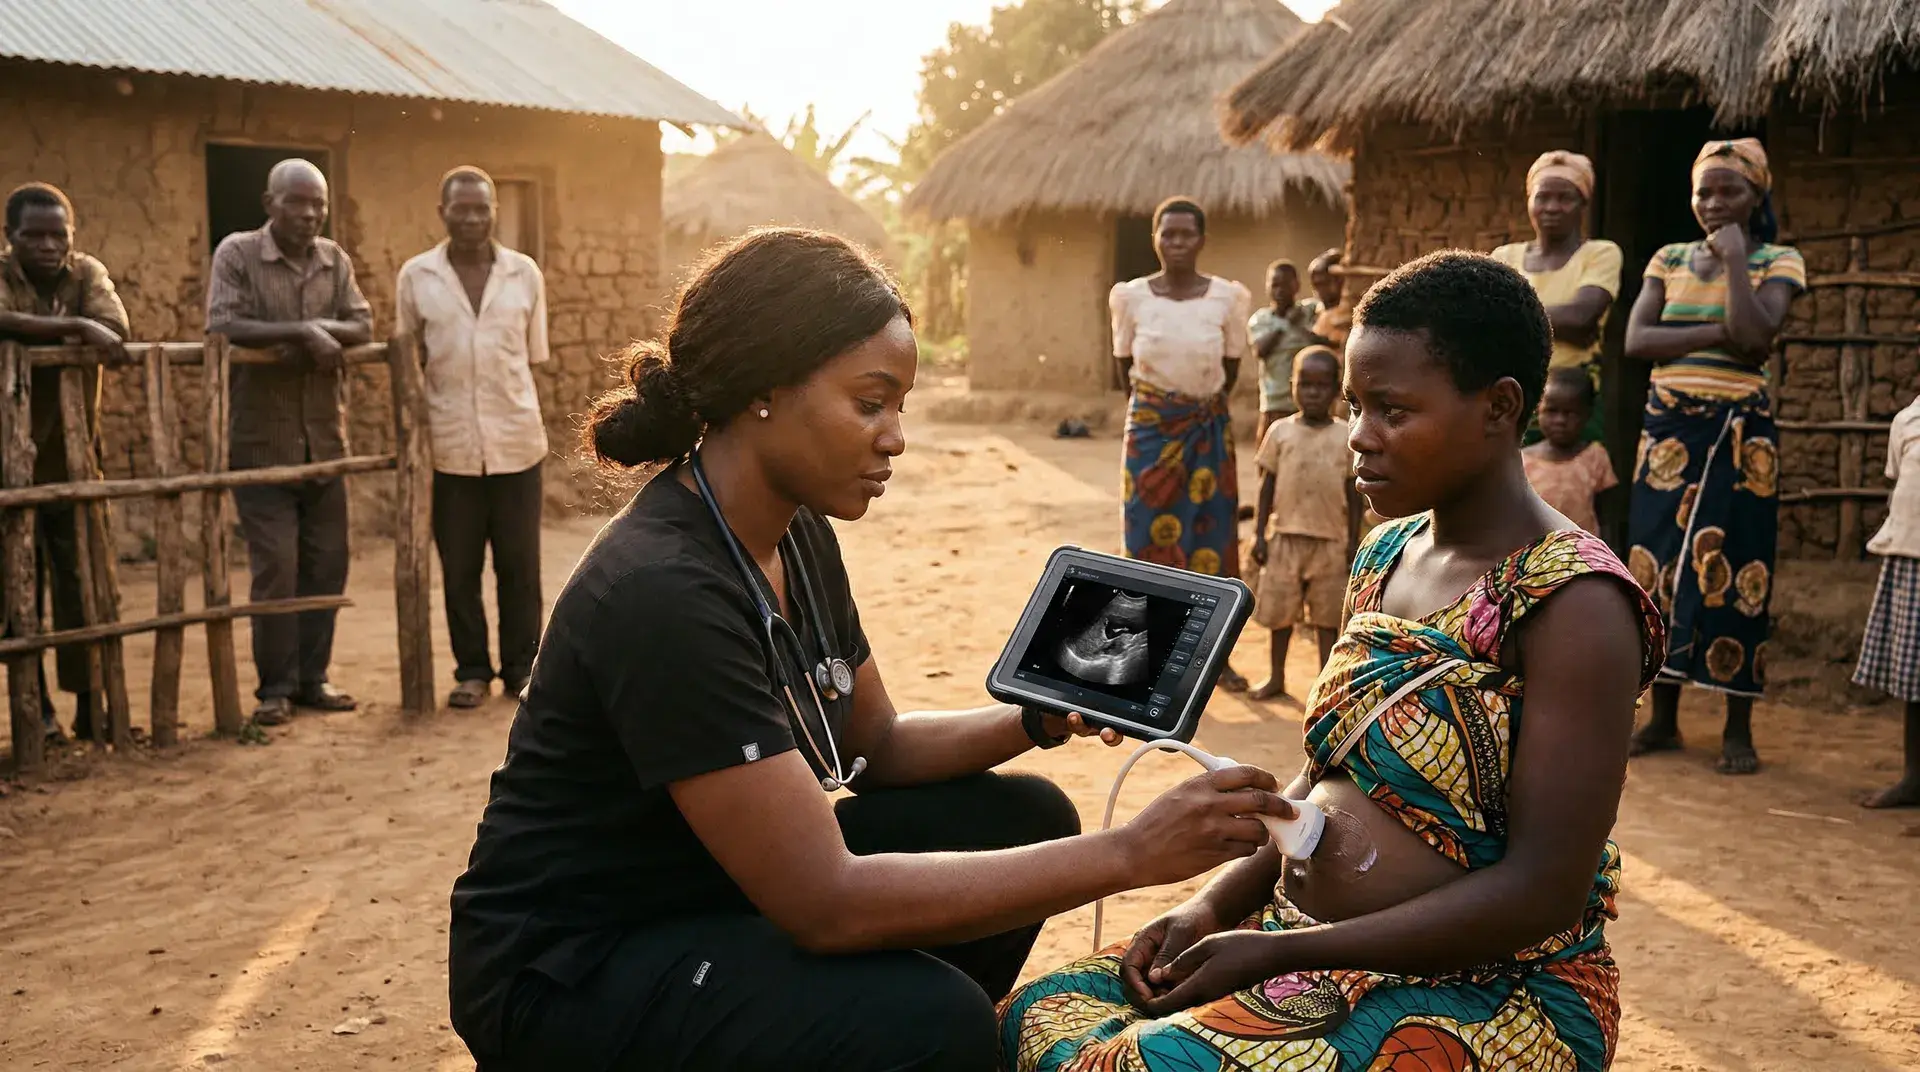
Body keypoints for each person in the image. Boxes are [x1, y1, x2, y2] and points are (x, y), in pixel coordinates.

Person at [448, 228, 1295, 1072]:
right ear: (764, 390)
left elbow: (874, 744)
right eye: (869, 402)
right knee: (934, 1024)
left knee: (1021, 814)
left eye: (900, 408)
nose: (893, 436)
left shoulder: (796, 532)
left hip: (707, 892)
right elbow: (826, 903)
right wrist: (1129, 855)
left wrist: (1034, 719)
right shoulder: (662, 589)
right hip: (575, 965)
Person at [1002, 251, 1665, 1072]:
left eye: (1392, 410)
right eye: (1356, 406)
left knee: (1136, 1065)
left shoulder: (1576, 604)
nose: (1359, 436)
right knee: (1037, 1016)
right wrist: (1213, 905)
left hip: (1490, 989)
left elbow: (1542, 890)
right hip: (1299, 945)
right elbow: (1324, 775)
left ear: (1499, 408)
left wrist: (1281, 959)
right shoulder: (1385, 554)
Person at [1623, 138, 1803, 776]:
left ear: (1758, 195)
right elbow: (1638, 339)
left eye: (1730, 190)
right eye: (1704, 190)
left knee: (1740, 569)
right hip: (1669, 435)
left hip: (1740, 435)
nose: (1715, 203)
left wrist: (1733, 263)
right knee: (1657, 569)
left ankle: (1737, 725)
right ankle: (1662, 717)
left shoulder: (1779, 259)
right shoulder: (1668, 258)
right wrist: (1722, 332)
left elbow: (1758, 338)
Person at [205, 159, 372, 727]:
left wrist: (324, 333)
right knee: (275, 567)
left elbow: (362, 324)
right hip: (262, 443)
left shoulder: (334, 259)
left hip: (325, 440)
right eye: (296, 202)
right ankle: (273, 688)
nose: (307, 214)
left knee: (327, 565)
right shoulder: (237, 254)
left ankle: (312, 679)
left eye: (317, 204)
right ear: (268, 202)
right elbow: (224, 322)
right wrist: (302, 332)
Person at [397, 166, 550, 709]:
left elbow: (533, 356)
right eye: (460, 209)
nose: (471, 219)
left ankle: (520, 672)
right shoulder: (416, 277)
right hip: (450, 447)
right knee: (459, 568)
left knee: (519, 567)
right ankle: (472, 671)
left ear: (494, 212)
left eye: (481, 208)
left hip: (516, 442)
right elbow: (408, 359)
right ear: (442, 212)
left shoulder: (523, 274)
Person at [0, 182, 129, 743]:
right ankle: (39, 712)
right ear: (10, 239)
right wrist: (75, 327)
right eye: (35, 235)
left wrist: (87, 323)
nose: (49, 245)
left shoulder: (86, 275)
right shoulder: (3, 276)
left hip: (72, 462)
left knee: (82, 591)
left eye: (60, 235)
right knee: (17, 594)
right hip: (6, 466)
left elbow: (117, 328)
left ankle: (86, 708)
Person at [1112, 197, 1253, 691]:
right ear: (1154, 238)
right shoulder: (1131, 298)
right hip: (1150, 430)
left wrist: (1194, 411)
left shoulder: (1227, 299)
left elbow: (1230, 369)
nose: (1176, 243)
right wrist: (1165, 413)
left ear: (1202, 240)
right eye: (1166, 234)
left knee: (1211, 539)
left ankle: (1215, 658)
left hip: (1207, 429)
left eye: (1186, 234)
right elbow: (1123, 365)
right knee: (1145, 537)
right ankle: (1145, 658)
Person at [1245, 346, 1357, 703]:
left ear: (1336, 391)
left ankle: (1326, 686)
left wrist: (1353, 541)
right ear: (1292, 386)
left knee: (1327, 620)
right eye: (1305, 384)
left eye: (1322, 386)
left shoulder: (1345, 436)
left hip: (1330, 540)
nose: (1313, 393)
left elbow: (1352, 494)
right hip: (1285, 536)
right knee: (1281, 617)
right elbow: (1266, 486)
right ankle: (1276, 676)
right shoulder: (1280, 432)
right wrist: (1259, 534)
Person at [1491, 151, 1623, 446]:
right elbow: (1486, 322)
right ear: (1529, 201)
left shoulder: (1600, 254)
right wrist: (1566, 330)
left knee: (1572, 483)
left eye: (1565, 198)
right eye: (1542, 197)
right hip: (1511, 394)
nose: (1552, 207)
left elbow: (1582, 317)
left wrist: (1513, 321)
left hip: (1572, 401)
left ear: (1583, 205)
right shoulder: (1504, 257)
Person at [1850, 389, 1920, 808]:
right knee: (1915, 679)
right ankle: (1915, 776)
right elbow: (1896, 487)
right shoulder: (1907, 420)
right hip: (1910, 556)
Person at [1523, 367, 1618, 535]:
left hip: (1583, 554)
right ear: (1538, 409)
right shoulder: (1522, 461)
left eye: (1570, 413)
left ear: (1587, 414)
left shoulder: (1595, 457)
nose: (1560, 420)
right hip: (1536, 554)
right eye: (1552, 411)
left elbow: (1607, 516)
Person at [1246, 259, 1323, 442]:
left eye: (1285, 285)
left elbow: (1325, 341)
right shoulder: (1261, 319)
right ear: (1267, 287)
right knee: (1269, 458)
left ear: (1296, 286)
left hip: (1308, 402)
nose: (1279, 291)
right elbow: (1260, 351)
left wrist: (1301, 326)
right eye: (1275, 285)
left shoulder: (1310, 311)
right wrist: (1285, 323)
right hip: (1275, 403)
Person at [1307, 248, 1351, 355]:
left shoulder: (1349, 311)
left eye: (1322, 284)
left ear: (1340, 280)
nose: (1318, 291)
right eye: (1314, 286)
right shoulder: (1317, 309)